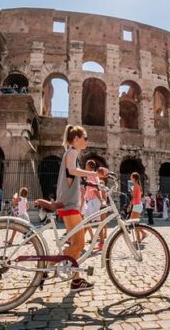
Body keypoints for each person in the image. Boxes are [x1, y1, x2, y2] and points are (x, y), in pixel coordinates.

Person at [53, 124, 107, 292]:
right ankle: (48, 264)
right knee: (79, 243)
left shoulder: (72, 153)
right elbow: (72, 170)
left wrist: (91, 181)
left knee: (76, 243)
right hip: (69, 203)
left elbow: (73, 176)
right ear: (76, 139)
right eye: (85, 137)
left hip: (70, 203)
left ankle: (76, 281)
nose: (87, 140)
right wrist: (95, 174)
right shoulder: (72, 152)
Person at [83, 160, 104, 250]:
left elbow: (96, 189)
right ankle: (79, 240)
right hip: (91, 200)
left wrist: (101, 200)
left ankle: (102, 242)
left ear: (89, 166)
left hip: (94, 201)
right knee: (85, 221)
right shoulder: (92, 174)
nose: (84, 166)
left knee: (97, 222)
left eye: (86, 165)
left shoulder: (91, 174)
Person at [129, 172, 146, 242]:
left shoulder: (136, 186)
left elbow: (135, 197)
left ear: (134, 178)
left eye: (131, 177)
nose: (130, 178)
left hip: (137, 205)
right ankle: (143, 233)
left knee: (134, 223)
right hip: (138, 205)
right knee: (134, 222)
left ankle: (139, 238)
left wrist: (130, 205)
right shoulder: (138, 185)